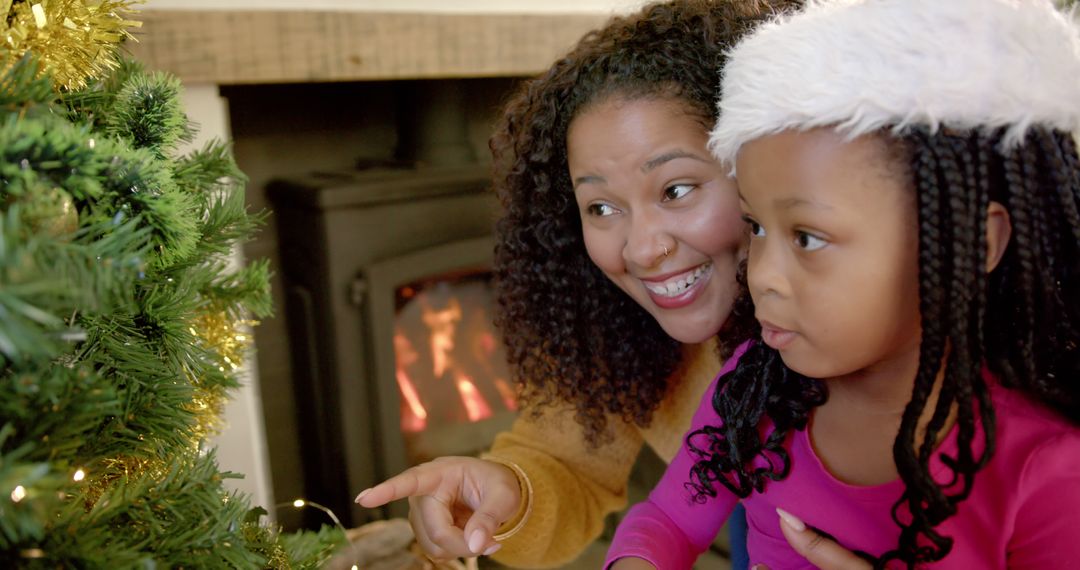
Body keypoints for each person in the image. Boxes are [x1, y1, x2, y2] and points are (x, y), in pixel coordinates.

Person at [606, 0, 1080, 568]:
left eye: (808, 237)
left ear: (970, 243)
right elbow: (667, 521)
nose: (761, 277)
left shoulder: (1045, 470)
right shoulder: (756, 392)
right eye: (756, 226)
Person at [353, 1, 801, 567]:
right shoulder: (638, 333)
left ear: (762, 163)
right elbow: (581, 471)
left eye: (677, 190)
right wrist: (505, 492)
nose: (641, 248)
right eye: (602, 207)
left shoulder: (888, 340)